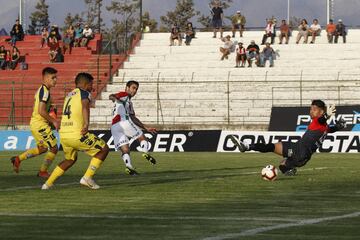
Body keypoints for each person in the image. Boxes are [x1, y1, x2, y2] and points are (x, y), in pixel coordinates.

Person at [230, 100, 346, 175]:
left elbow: (322, 120)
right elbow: (330, 129)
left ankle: (247, 146)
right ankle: (288, 170)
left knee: (273, 149)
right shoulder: (324, 127)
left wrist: (327, 115)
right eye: (310, 109)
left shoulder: (318, 122)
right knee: (281, 162)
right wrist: (339, 126)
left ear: (321, 112)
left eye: (314, 109)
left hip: (299, 152)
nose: (311, 111)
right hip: (301, 152)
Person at [42, 72, 109, 190]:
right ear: (84, 84)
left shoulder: (69, 95)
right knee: (104, 149)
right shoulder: (84, 93)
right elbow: (84, 106)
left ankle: (47, 184)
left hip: (64, 134)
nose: (92, 87)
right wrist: (87, 124)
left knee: (70, 159)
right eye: (90, 84)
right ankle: (87, 178)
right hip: (77, 133)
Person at [11, 67, 60, 178]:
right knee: (54, 148)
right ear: (46, 78)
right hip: (40, 124)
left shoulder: (41, 90)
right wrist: (54, 121)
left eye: (56, 77)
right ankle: (43, 171)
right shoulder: (45, 92)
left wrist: (50, 109)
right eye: (53, 77)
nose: (55, 80)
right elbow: (41, 110)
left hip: (36, 123)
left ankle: (18, 159)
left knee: (42, 148)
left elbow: (36, 107)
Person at [109, 80, 157, 175]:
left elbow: (133, 118)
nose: (135, 91)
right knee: (142, 138)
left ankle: (129, 167)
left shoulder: (129, 102)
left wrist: (145, 127)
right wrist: (114, 97)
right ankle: (145, 152)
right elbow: (111, 96)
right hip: (123, 122)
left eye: (136, 89)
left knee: (125, 149)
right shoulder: (124, 95)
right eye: (133, 88)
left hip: (114, 127)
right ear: (127, 87)